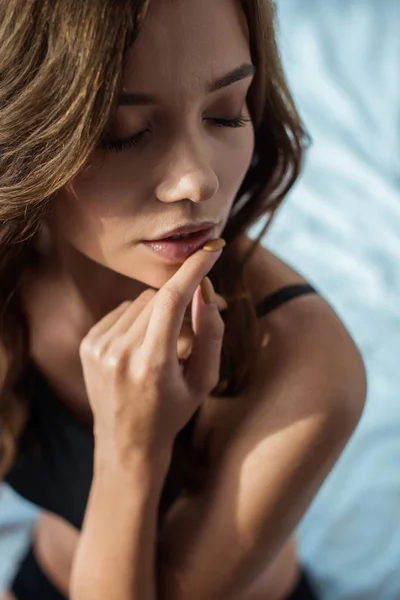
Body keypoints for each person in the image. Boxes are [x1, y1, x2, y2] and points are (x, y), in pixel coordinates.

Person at [0, 0, 366, 598]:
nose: (199, 180)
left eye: (226, 115)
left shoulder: (308, 367)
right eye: (124, 135)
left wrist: (130, 449)